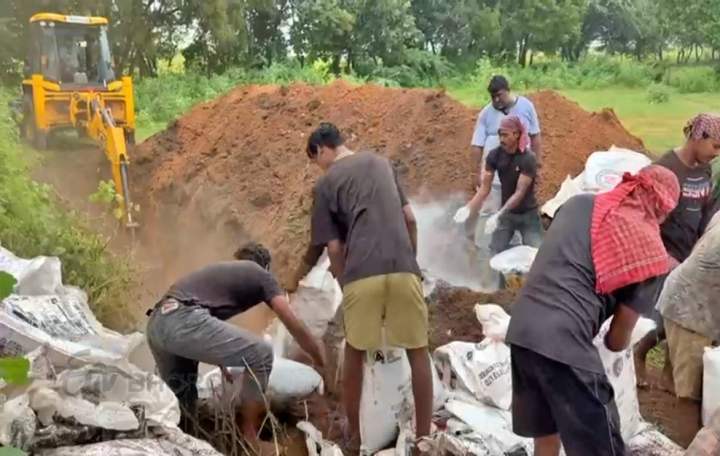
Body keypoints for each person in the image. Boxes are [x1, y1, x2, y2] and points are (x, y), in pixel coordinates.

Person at [504, 165, 680, 456]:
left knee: (546, 436)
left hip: (522, 331)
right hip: (565, 342)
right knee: (602, 448)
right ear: (662, 209)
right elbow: (617, 341)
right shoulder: (648, 255)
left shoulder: (579, 204)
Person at [305, 123, 432, 453]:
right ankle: (423, 438)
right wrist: (411, 265)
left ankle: (356, 438)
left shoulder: (326, 182)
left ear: (321, 149)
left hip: (362, 273)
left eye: (314, 157)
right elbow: (410, 220)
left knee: (355, 352)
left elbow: (332, 248)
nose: (318, 164)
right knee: (418, 350)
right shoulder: (381, 164)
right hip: (405, 267)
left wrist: (345, 283)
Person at [145, 242, 325, 449]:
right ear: (265, 265)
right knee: (262, 353)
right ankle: (249, 439)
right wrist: (318, 358)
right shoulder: (260, 274)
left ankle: (173, 449)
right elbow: (290, 320)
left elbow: (208, 328)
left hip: (158, 324)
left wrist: (222, 361)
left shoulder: (219, 277)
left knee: (183, 408)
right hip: (182, 319)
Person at [634, 113, 720, 389]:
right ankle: (638, 355)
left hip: (690, 252)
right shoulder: (665, 168)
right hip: (663, 253)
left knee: (682, 321)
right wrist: (660, 253)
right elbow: (643, 216)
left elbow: (706, 209)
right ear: (698, 137)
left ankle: (670, 377)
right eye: (716, 146)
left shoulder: (704, 171)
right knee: (663, 317)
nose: (717, 154)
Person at [455, 115, 542, 287]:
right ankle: (500, 290)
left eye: (505, 135)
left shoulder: (527, 158)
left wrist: (497, 215)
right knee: (496, 251)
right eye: (499, 134)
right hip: (507, 215)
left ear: (517, 134)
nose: (501, 139)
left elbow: (520, 192)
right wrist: (468, 207)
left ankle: (536, 290)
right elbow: (485, 189)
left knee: (537, 255)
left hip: (528, 215)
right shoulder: (494, 156)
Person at [466, 75, 542, 242]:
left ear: (508, 90)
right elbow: (476, 144)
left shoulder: (526, 107)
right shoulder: (486, 114)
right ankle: (488, 245)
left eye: (499, 95)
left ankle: (515, 247)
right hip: (494, 168)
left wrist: (538, 165)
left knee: (517, 204)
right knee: (490, 208)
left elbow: (535, 136)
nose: (496, 99)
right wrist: (474, 173)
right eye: (493, 96)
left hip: (519, 169)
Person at [656, 208, 720, 403]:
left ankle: (669, 379)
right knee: (692, 394)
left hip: (688, 295)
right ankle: (686, 432)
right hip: (692, 311)